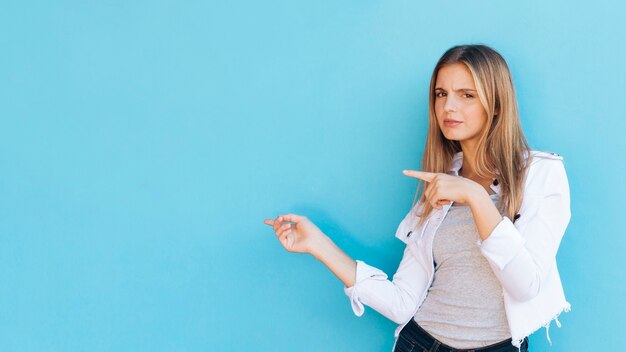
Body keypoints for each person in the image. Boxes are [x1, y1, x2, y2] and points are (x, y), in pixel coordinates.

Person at [263, 44, 571, 352]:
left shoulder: (539, 174)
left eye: (467, 94)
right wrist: (318, 244)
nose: (448, 106)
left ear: (496, 105)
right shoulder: (439, 181)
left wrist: (475, 195)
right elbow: (401, 302)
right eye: (441, 94)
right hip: (420, 344)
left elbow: (525, 285)